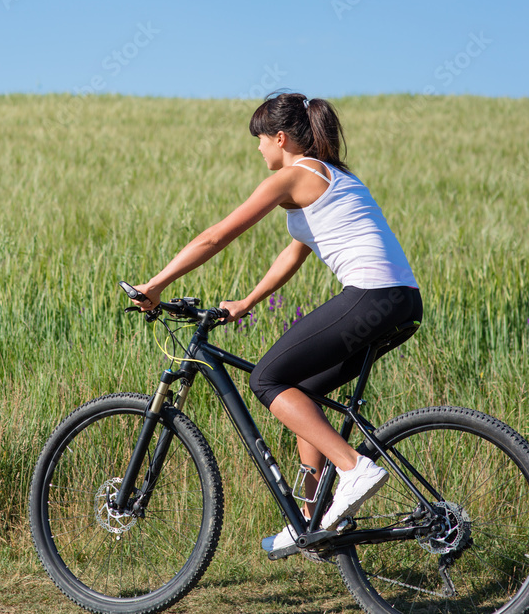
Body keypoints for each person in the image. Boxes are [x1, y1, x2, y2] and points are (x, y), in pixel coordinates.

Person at [131, 92, 423, 555]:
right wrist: (247, 301)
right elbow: (295, 252)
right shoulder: (332, 176)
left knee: (267, 379)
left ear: (281, 138)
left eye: (260, 140)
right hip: (402, 301)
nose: (258, 149)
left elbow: (216, 236)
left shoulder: (293, 176)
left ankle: (353, 468)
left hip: (372, 295)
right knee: (300, 390)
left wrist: (157, 284)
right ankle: (313, 518)